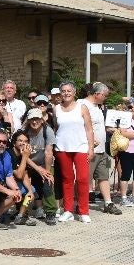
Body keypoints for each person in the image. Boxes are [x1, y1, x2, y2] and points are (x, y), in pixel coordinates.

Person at [53, 82, 95, 222]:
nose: (66, 93)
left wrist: (91, 148)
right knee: (67, 179)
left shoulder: (82, 108)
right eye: (63, 91)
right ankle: (68, 210)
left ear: (74, 92)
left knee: (82, 179)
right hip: (62, 147)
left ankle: (84, 211)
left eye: (69, 90)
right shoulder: (56, 108)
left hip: (80, 147)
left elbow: (89, 129)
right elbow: (55, 128)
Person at [83, 83, 121, 216]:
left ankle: (108, 203)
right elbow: (80, 126)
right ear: (97, 94)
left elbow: (98, 126)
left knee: (104, 177)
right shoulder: (82, 105)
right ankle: (80, 204)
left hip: (101, 150)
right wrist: (89, 142)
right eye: (104, 95)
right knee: (84, 178)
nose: (105, 98)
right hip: (89, 150)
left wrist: (110, 130)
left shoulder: (97, 107)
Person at [22, 108, 57, 221]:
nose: (34, 122)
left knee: (47, 183)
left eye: (37, 119)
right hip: (28, 162)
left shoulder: (48, 131)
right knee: (26, 187)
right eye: (32, 119)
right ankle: (22, 211)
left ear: (42, 120)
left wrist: (46, 172)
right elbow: (23, 155)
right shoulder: (24, 132)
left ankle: (50, 211)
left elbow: (48, 152)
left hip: (44, 162)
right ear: (28, 120)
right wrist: (38, 169)